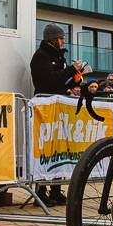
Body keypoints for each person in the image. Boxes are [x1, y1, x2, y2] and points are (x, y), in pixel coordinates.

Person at [30, 23, 85, 206]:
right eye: (61, 38)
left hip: (59, 106)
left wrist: (72, 86)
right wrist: (70, 70)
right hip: (45, 108)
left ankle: (56, 190)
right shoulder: (41, 56)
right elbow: (47, 81)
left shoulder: (59, 56)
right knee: (45, 149)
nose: (63, 41)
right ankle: (40, 191)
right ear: (52, 39)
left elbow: (61, 81)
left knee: (59, 149)